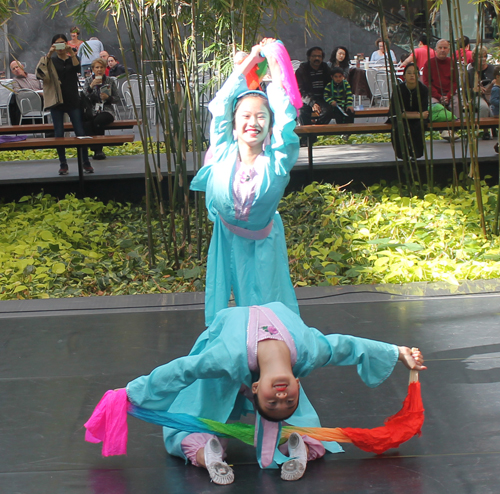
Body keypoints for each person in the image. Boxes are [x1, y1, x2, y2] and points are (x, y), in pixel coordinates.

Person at [120, 302, 427, 484]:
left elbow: (182, 370)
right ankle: (298, 442)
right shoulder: (308, 351)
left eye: (273, 399)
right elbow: (347, 346)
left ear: (257, 390)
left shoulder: (226, 356)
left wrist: (132, 393)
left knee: (184, 423)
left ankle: (207, 450)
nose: (281, 395)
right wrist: (397, 352)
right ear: (297, 384)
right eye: (287, 398)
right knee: (296, 420)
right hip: (242, 358)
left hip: (230, 353)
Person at [189, 39, 300, 326]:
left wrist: (274, 75)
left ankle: (272, 354)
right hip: (227, 239)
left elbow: (287, 122)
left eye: (261, 117)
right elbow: (222, 105)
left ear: (269, 126)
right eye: (246, 117)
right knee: (226, 309)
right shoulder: (224, 152)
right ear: (234, 126)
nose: (253, 122)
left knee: (268, 306)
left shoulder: (276, 162)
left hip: (264, 243)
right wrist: (250, 61)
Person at [36, 34, 93, 175]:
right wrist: (50, 53)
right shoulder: (51, 60)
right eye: (57, 44)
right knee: (59, 133)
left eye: (62, 43)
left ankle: (86, 161)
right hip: (57, 101)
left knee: (80, 132)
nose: (60, 47)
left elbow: (77, 68)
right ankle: (63, 164)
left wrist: (71, 52)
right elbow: (41, 72)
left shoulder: (72, 58)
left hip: (73, 100)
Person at [389, 63, 429, 160]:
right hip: (400, 119)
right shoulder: (398, 89)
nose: (412, 75)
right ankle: (403, 155)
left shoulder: (423, 89)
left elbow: (425, 113)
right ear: (404, 75)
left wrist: (410, 115)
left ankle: (415, 154)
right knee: (399, 127)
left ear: (419, 75)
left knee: (419, 126)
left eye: (415, 73)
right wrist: (417, 115)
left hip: (417, 120)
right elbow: (396, 112)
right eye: (409, 73)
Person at [421, 39, 460, 140]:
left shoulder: (452, 63)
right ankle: (444, 131)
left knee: (456, 103)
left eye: (445, 48)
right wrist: (439, 96)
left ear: (448, 50)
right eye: (440, 48)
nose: (442, 50)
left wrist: (448, 96)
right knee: (435, 106)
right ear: (436, 50)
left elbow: (455, 82)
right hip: (434, 94)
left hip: (449, 94)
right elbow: (427, 82)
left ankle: (453, 129)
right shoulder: (429, 63)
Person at [83, 58, 119, 160]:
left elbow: (117, 99)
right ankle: (97, 150)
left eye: (102, 67)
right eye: (97, 67)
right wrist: (91, 86)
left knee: (98, 121)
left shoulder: (110, 81)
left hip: (106, 109)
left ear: (105, 69)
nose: (99, 69)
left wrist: (108, 98)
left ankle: (98, 150)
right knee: (88, 123)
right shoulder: (88, 80)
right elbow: (84, 96)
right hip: (92, 109)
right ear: (93, 69)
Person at [295, 46, 334, 133]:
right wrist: (312, 103)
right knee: (301, 112)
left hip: (323, 98)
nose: (317, 58)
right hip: (307, 99)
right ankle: (307, 136)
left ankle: (314, 133)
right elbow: (300, 91)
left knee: (329, 111)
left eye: (319, 56)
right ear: (309, 57)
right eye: (314, 56)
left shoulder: (326, 69)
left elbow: (331, 86)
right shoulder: (301, 71)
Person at [467, 46, 495, 139]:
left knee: (493, 108)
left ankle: (494, 131)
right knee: (483, 107)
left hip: (492, 95)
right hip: (477, 96)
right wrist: (475, 89)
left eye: (484, 56)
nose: (483, 59)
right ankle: (485, 131)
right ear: (474, 58)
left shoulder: (493, 69)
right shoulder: (470, 72)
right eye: (480, 57)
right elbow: (467, 88)